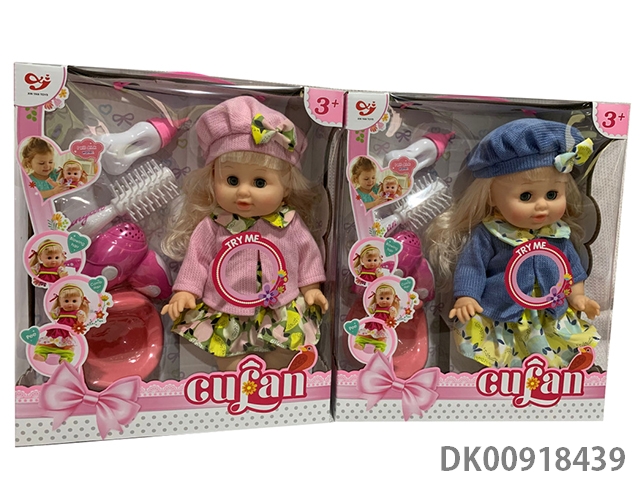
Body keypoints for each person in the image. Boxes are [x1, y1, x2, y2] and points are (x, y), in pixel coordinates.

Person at [161, 97, 328, 371]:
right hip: (227, 307)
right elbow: (197, 260)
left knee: (285, 350)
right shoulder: (215, 224)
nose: (243, 191)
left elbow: (307, 255)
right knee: (227, 355)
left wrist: (311, 289)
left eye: (259, 182)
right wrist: (185, 292)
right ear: (213, 180)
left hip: (280, 306)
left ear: (286, 187)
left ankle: (274, 375)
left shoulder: (288, 223)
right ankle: (237, 379)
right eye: (232, 180)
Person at [427, 118, 600, 368]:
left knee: (551, 345)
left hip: (549, 310)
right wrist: (467, 296)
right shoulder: (491, 233)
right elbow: (472, 266)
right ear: (492, 197)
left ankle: (558, 371)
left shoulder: (558, 235)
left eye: (552, 195)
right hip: (503, 310)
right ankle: (511, 378)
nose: (542, 205)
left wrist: (578, 296)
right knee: (507, 352)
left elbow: (572, 269)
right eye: (526, 196)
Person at [34, 284, 90, 363]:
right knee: (48, 343)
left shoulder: (79, 313)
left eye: (74, 301)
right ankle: (41, 354)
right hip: (56, 331)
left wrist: (81, 320)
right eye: (66, 301)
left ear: (81, 301)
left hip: (67, 333)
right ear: (60, 301)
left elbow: (79, 325)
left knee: (67, 348)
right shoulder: (59, 310)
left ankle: (64, 358)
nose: (70, 304)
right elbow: (53, 316)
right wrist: (51, 313)